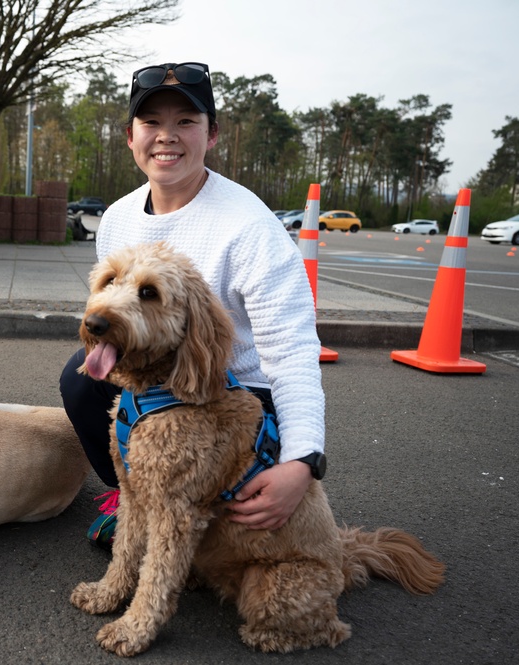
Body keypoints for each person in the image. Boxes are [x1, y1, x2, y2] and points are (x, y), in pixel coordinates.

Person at [60, 61, 326, 545]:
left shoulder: (250, 226)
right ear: (130, 136)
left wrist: (303, 462)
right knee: (79, 381)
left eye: (185, 121)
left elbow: (291, 352)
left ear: (213, 135)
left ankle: (188, 509)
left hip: (239, 390)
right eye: (152, 123)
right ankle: (134, 496)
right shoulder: (118, 218)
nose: (167, 136)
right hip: (158, 371)